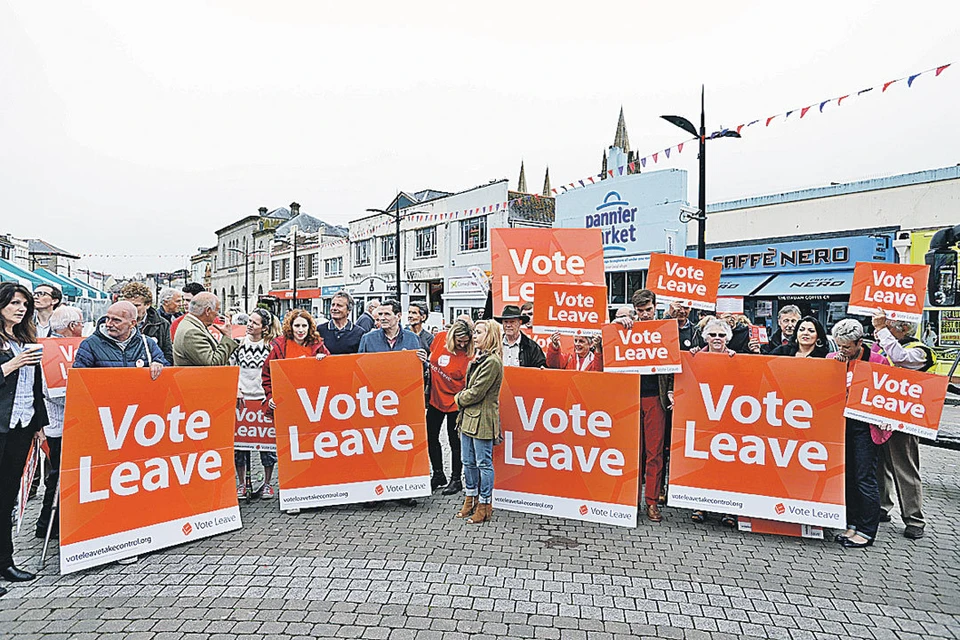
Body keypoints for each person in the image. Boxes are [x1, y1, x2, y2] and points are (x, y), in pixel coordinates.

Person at [0, 283, 48, 588]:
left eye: (24, 304)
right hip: (2, 425)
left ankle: (5, 562)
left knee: (7, 498)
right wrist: (12, 364)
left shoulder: (25, 339)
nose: (20, 309)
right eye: (14, 303)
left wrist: (39, 424)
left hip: (22, 425)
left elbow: (35, 386)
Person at [829, 318, 891, 549]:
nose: (842, 350)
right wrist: (834, 366)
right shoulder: (833, 358)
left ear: (859, 342)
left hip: (865, 426)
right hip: (840, 425)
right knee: (848, 477)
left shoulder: (878, 361)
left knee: (865, 477)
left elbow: (887, 392)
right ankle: (852, 523)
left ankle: (867, 530)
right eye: (839, 345)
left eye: (846, 346)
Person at [872, 309, 934, 540]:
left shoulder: (920, 351)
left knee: (905, 468)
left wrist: (881, 330)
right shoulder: (883, 346)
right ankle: (882, 506)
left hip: (903, 418)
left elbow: (899, 358)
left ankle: (914, 519)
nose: (884, 331)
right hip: (879, 415)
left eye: (889, 327)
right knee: (879, 465)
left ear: (904, 329)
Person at [261, 309, 329, 514]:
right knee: (291, 452)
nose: (300, 330)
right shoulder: (280, 346)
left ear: (310, 327)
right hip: (288, 407)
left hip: (312, 407)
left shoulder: (318, 346)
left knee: (313, 451)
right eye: (297, 325)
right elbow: (267, 375)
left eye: (304, 326)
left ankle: (313, 494)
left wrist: (323, 361)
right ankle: (293, 497)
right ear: (290, 327)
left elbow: (331, 372)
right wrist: (271, 397)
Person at [614, 290, 673, 522]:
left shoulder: (664, 330)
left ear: (655, 307)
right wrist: (617, 325)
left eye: (648, 310)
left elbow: (673, 364)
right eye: (640, 311)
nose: (645, 314)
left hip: (655, 397)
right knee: (631, 453)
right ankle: (632, 499)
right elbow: (606, 344)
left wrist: (671, 390)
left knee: (654, 452)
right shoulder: (626, 328)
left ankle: (651, 501)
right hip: (630, 396)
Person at [35, 306, 84, 541]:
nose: (83, 327)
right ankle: (47, 525)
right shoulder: (52, 349)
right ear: (72, 326)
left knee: (60, 476)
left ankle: (53, 523)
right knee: (57, 477)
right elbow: (53, 391)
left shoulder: (55, 346)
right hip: (59, 424)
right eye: (81, 323)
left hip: (66, 423)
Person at [689, 316, 739, 528]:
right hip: (702, 416)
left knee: (727, 464)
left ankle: (728, 510)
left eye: (721, 335)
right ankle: (700, 505)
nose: (717, 338)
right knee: (703, 462)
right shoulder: (695, 357)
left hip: (727, 417)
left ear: (728, 337)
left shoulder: (735, 358)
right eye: (712, 334)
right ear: (705, 337)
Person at [454, 319, 503, 525]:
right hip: (468, 418)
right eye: (474, 332)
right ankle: (470, 498)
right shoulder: (480, 358)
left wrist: (458, 398)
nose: (474, 336)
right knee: (468, 461)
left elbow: (476, 392)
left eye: (479, 332)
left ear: (490, 335)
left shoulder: (492, 362)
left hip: (482, 419)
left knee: (483, 463)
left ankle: (484, 504)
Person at [230, 308, 282, 500]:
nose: (249, 325)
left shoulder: (271, 347)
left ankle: (267, 484)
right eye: (249, 321)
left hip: (262, 401)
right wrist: (236, 389)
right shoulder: (238, 344)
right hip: (242, 401)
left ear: (264, 328)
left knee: (267, 447)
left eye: (254, 322)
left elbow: (275, 372)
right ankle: (242, 484)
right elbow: (231, 368)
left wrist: (270, 395)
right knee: (240, 447)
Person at [420, 318, 473, 495]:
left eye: (466, 341)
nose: (462, 344)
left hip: (455, 402)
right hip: (436, 399)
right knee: (431, 436)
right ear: (451, 337)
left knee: (454, 441)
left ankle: (456, 479)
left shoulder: (470, 353)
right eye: (459, 341)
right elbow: (429, 358)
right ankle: (438, 474)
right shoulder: (440, 338)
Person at [173, 292, 239, 367]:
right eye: (217, 310)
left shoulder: (191, 325)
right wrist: (227, 337)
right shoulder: (192, 332)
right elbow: (212, 364)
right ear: (208, 311)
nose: (218, 314)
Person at [120, 282, 174, 365]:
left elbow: (168, 355)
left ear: (148, 305)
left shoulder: (162, 324)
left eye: (136, 305)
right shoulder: (116, 324)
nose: (131, 309)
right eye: (128, 305)